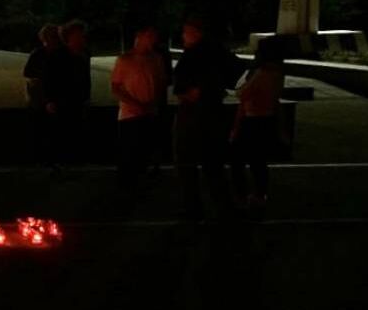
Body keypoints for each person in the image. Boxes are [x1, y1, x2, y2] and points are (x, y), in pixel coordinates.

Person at [171, 18, 247, 220]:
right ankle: (224, 207)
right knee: (213, 164)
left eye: (186, 32)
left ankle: (194, 208)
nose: (183, 37)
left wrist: (197, 93)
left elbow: (179, 87)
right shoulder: (218, 52)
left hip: (193, 114)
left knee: (187, 163)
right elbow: (239, 73)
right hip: (214, 113)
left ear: (196, 32)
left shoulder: (192, 55)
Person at [230, 38, 285, 211]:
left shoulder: (261, 73)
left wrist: (242, 85)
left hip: (252, 120)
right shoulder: (278, 73)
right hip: (266, 119)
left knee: (238, 159)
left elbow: (242, 94)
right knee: (258, 161)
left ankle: (243, 195)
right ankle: (260, 194)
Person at [110, 24, 167, 190]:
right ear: (140, 37)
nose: (154, 41)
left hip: (149, 112)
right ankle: (127, 184)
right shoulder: (125, 60)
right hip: (130, 114)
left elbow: (161, 83)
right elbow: (115, 87)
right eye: (150, 37)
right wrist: (136, 104)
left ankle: (140, 182)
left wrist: (153, 103)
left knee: (145, 150)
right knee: (129, 151)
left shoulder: (156, 59)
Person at [23, 23, 69, 173]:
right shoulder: (48, 54)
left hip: (44, 98)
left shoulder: (41, 54)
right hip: (44, 98)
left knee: (48, 130)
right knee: (48, 129)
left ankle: (47, 159)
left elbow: (29, 74)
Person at [60, 19, 91, 164]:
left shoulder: (84, 53)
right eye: (80, 34)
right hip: (65, 99)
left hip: (79, 98)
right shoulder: (61, 55)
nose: (83, 37)